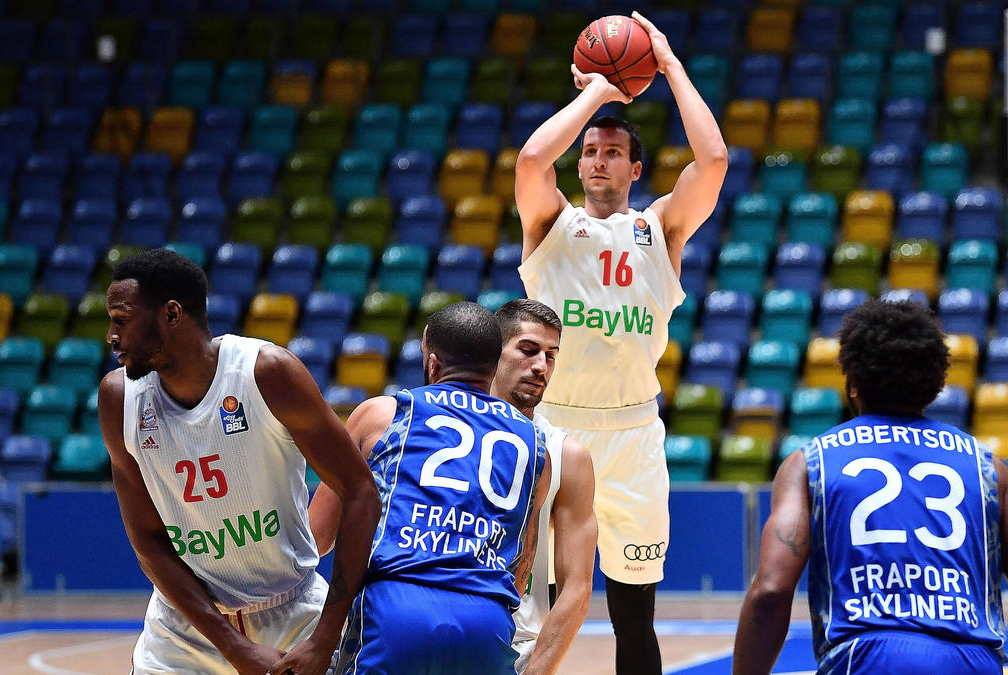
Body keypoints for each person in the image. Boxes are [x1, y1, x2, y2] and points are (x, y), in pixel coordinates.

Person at [513, 11, 728, 672]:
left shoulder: (660, 229)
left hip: (634, 434)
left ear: (635, 168)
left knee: (636, 616)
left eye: (611, 151)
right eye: (590, 150)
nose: (596, 159)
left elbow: (714, 158)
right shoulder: (551, 222)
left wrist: (667, 63)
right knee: (539, 611)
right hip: (556, 428)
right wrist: (599, 93)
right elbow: (530, 157)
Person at [733, 299, 1008, 675]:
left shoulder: (810, 462)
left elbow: (770, 592)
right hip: (972, 662)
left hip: (865, 658)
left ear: (853, 383)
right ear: (936, 383)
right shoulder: (988, 468)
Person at [98, 249, 378, 675]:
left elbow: (359, 491)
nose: (111, 335)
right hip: (187, 624)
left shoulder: (267, 373)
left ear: (171, 314)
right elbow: (148, 541)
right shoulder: (119, 399)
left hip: (293, 611)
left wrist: (325, 637)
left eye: (122, 319)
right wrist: (233, 645)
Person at [309, 301, 551, 674]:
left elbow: (317, 537)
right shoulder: (534, 443)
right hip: (485, 622)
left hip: (396, 609)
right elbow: (522, 564)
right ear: (494, 367)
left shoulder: (382, 414)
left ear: (432, 362)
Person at [490, 299, 599, 673]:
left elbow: (577, 587)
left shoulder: (567, 454)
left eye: (551, 355)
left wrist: (537, 670)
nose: (541, 366)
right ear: (492, 352)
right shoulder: (435, 430)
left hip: (515, 646)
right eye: (528, 349)